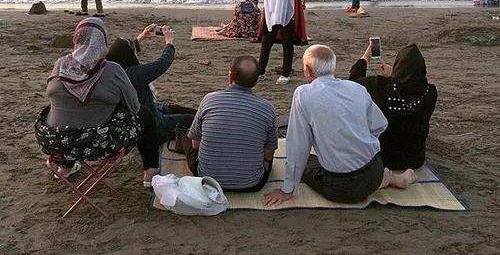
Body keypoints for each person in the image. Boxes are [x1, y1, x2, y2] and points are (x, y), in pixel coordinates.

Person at [262, 45, 417, 207]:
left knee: (305, 161)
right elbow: (380, 125)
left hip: (340, 188)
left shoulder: (303, 94)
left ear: (308, 70)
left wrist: (288, 189)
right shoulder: (357, 88)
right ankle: (389, 178)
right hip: (374, 171)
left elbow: (298, 146)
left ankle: (385, 180)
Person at [34, 17, 160, 186]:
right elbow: (134, 106)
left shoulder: (60, 65)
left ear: (76, 38)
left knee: (62, 112)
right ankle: (150, 173)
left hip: (54, 142)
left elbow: (51, 92)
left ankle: (64, 168)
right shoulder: (112, 69)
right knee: (145, 115)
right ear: (102, 41)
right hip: (99, 144)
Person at [175, 55, 278, 191]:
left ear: (230, 77)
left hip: (207, 179)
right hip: (251, 183)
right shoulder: (267, 108)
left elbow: (196, 144)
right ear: (256, 81)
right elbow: (268, 154)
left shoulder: (209, 100)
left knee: (188, 137)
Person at [349, 42, 437, 169]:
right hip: (414, 160)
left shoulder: (379, 86)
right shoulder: (430, 92)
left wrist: (365, 58)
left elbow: (353, 82)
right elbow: (409, 87)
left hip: (382, 159)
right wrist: (394, 75)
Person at [106, 24, 196, 144]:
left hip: (148, 109)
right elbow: (163, 63)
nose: (136, 53)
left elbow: (125, 50)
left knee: (178, 109)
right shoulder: (133, 74)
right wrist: (169, 42)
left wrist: (142, 37)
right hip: (154, 125)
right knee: (190, 120)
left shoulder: (114, 69)